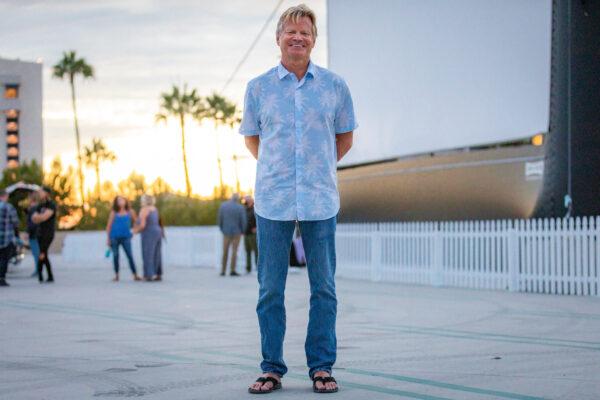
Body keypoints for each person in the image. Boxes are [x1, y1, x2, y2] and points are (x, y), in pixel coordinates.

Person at [240, 4, 356, 394]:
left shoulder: (335, 86)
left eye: (305, 32)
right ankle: (271, 367)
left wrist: (316, 168)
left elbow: (345, 137)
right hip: (272, 200)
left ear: (313, 40)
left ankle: (321, 366)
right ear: (278, 39)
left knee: (323, 287)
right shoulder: (258, 88)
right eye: (290, 32)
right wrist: (281, 170)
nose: (298, 38)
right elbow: (253, 139)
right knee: (270, 288)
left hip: (321, 200)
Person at [106, 196, 141, 282]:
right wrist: (108, 239)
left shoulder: (130, 212)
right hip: (114, 237)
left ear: (125, 201)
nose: (120, 202)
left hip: (126, 237)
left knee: (130, 255)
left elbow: (137, 222)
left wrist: (134, 231)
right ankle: (116, 275)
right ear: (116, 203)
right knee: (115, 256)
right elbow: (109, 226)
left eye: (122, 200)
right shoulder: (114, 213)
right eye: (118, 200)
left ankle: (135, 275)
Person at [132, 194, 163, 281]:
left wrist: (134, 232)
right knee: (156, 254)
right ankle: (157, 273)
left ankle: (149, 275)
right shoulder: (154, 209)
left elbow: (142, 225)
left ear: (144, 201)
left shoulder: (144, 209)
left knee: (148, 253)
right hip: (158, 231)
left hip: (149, 233)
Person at [217, 193, 246, 276]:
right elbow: (243, 221)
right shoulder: (240, 207)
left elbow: (219, 218)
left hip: (226, 232)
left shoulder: (223, 206)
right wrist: (242, 230)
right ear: (237, 199)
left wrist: (222, 229)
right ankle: (232, 270)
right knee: (234, 251)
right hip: (237, 232)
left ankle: (223, 270)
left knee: (225, 251)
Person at [32, 186, 57, 283]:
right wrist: (40, 217)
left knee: (42, 253)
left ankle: (40, 274)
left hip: (48, 234)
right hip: (40, 233)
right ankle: (48, 276)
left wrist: (40, 217)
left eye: (41, 192)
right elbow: (33, 218)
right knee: (43, 254)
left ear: (46, 193)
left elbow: (44, 217)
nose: (39, 194)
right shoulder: (40, 205)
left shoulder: (51, 205)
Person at [0, 189, 20, 287]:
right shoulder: (9, 207)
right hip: (6, 238)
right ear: (4, 196)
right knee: (4, 259)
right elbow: (16, 222)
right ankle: (2, 278)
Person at [27, 191, 41, 278]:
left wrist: (28, 232)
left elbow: (32, 223)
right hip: (38, 234)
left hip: (34, 234)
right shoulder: (39, 208)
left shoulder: (33, 209)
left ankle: (38, 270)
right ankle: (38, 269)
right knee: (37, 253)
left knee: (36, 253)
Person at [244, 195, 258, 273]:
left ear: (251, 200)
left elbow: (258, 219)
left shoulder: (255, 209)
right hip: (246, 233)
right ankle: (248, 268)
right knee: (247, 251)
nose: (245, 201)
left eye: (247, 200)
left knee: (256, 251)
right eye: (245, 200)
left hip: (253, 234)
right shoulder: (244, 209)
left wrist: (256, 228)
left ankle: (257, 267)